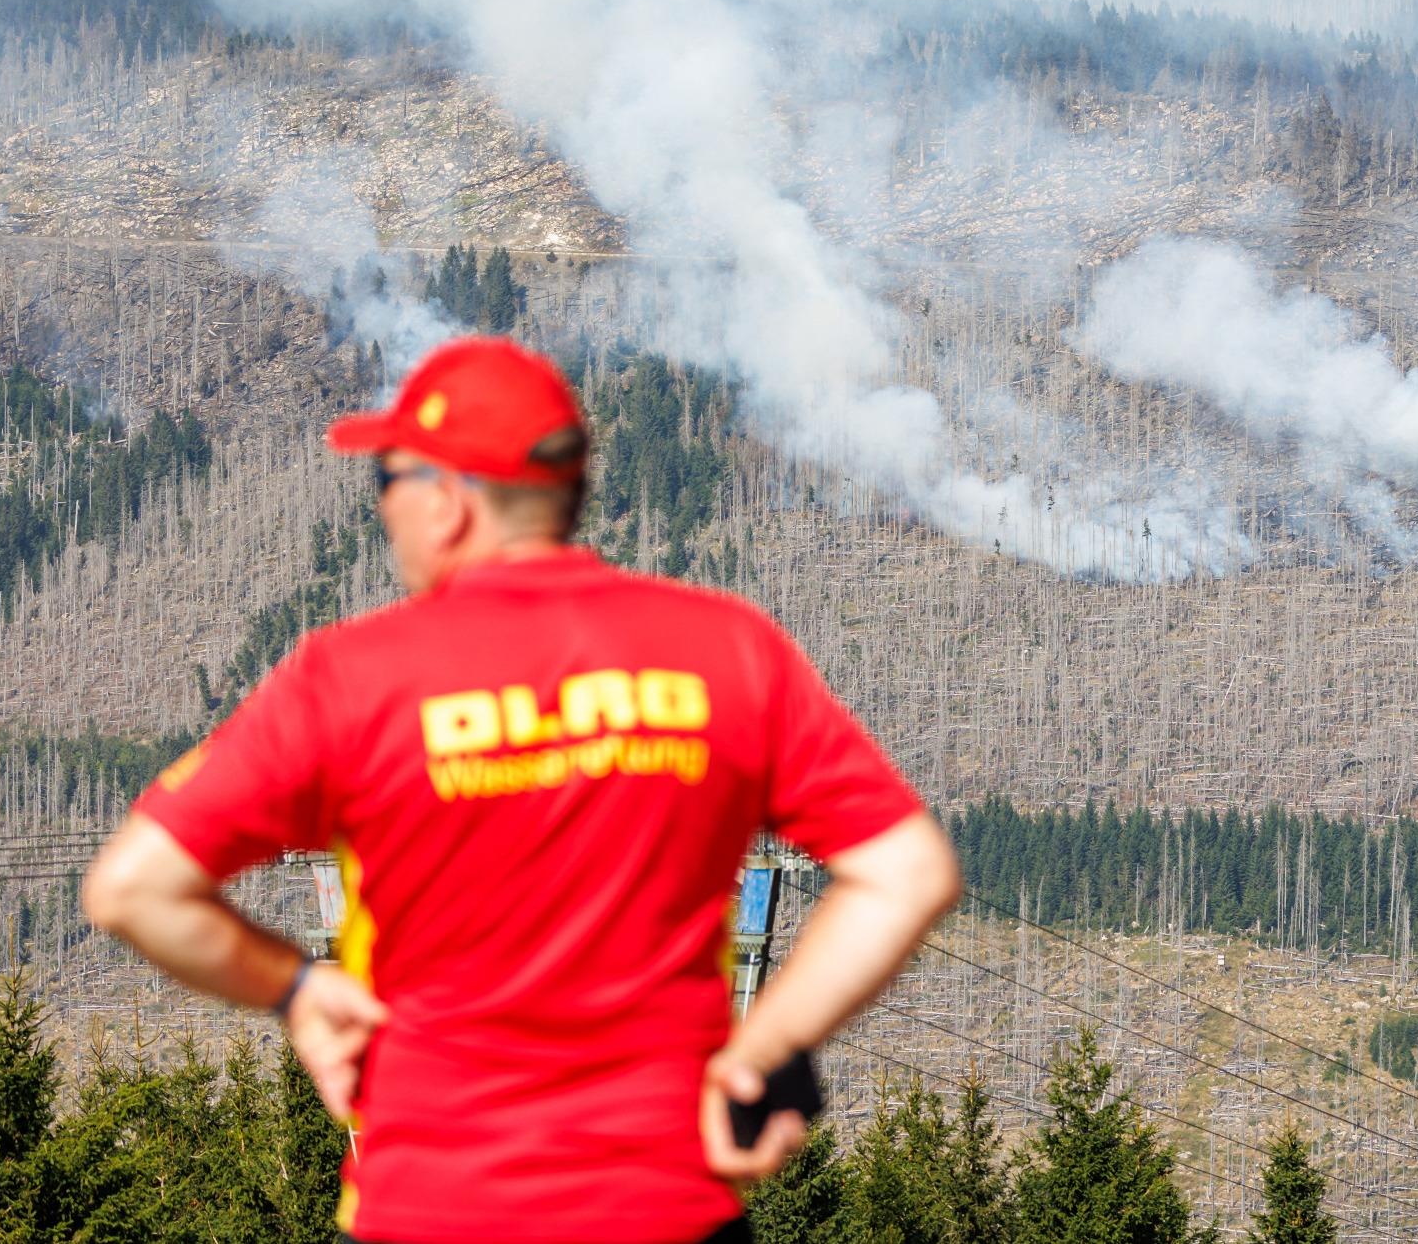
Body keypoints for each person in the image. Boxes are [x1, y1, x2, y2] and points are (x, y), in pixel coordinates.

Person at [81, 336, 961, 1244]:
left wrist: (297, 990)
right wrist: (763, 1050)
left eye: (389, 477)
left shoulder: (352, 679)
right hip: (665, 1208)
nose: (384, 506)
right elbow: (907, 874)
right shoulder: (727, 651)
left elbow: (133, 886)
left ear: (451, 501)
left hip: (430, 1208)